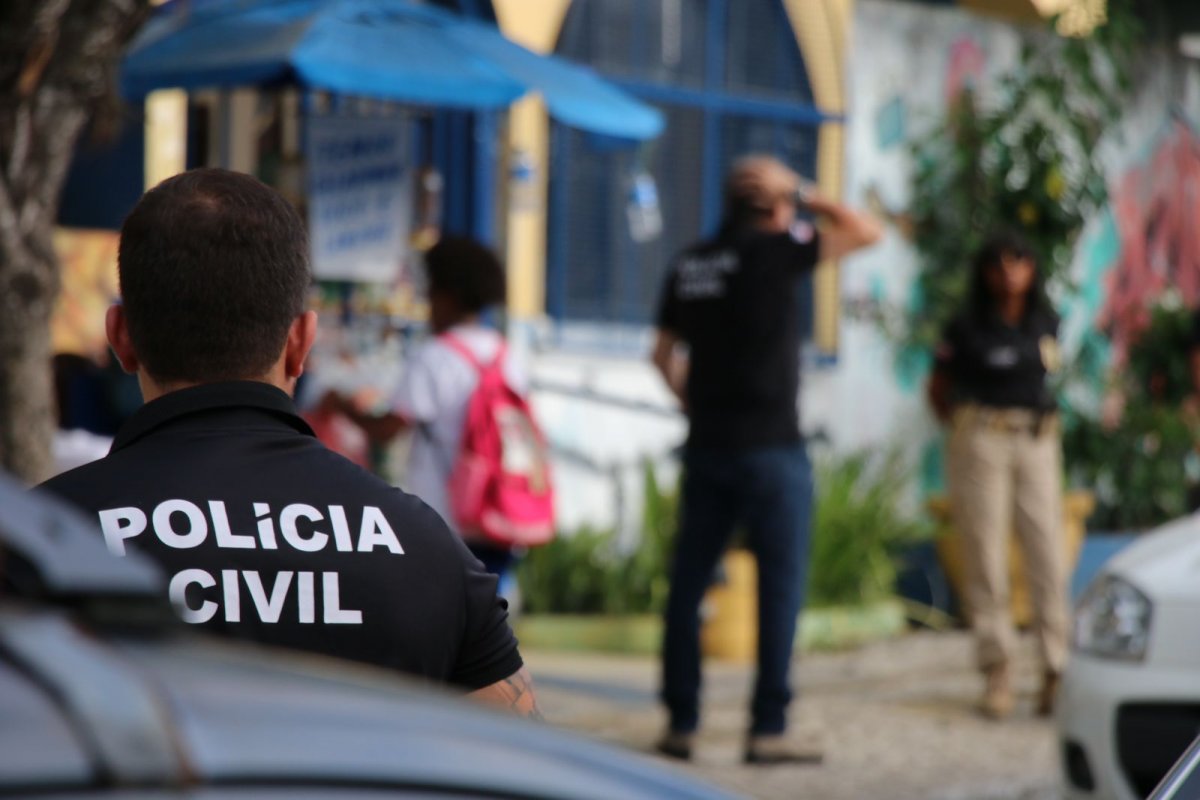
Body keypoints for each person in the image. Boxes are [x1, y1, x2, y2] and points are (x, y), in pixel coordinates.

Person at [38, 169, 539, 718]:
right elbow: (522, 758)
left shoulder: (37, 544)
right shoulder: (427, 554)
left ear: (121, 338)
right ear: (301, 343)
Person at [651, 155, 882, 763]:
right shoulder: (779, 249)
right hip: (772, 448)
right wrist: (804, 189)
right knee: (779, 588)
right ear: (777, 209)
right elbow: (867, 231)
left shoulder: (691, 263)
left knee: (689, 586)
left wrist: (690, 403)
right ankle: (767, 728)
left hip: (708, 447)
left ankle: (681, 722)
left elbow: (661, 353)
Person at [927, 231, 1067, 720]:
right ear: (984, 272)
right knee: (984, 552)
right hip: (982, 436)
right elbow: (938, 388)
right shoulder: (965, 326)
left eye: (1020, 261)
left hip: (1036, 437)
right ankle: (998, 670)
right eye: (999, 263)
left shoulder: (1045, 321)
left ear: (1033, 269)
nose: (1010, 272)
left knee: (1046, 549)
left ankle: (1055, 668)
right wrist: (966, 432)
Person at [329, 236, 523, 583]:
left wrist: (340, 405)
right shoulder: (505, 353)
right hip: (496, 514)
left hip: (445, 521)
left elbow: (388, 429)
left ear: (446, 296)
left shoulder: (434, 356)